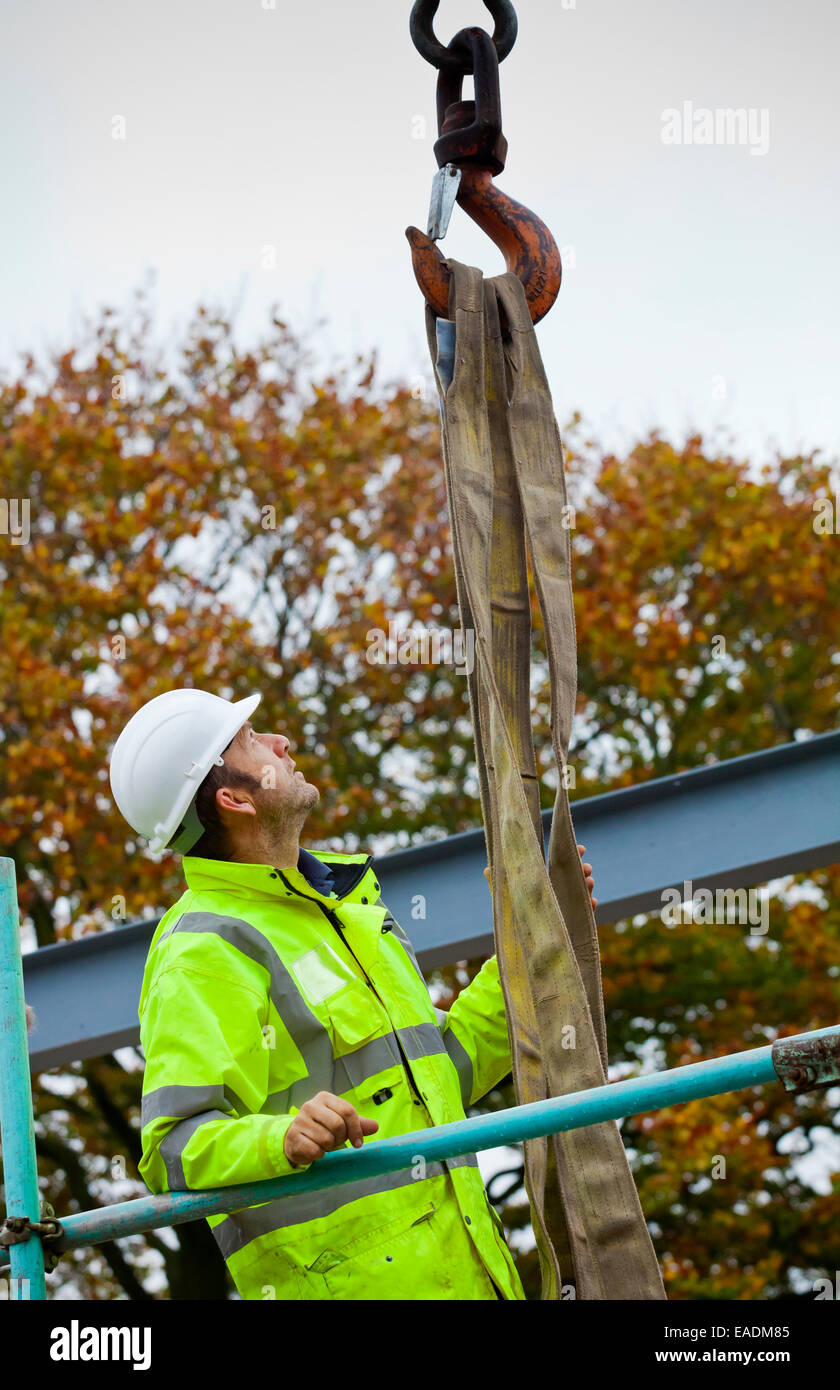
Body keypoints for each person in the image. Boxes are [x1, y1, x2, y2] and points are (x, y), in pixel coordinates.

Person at [109, 688, 597, 1301]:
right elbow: (172, 1149)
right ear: (233, 798)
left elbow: (445, 1072)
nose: (282, 744)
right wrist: (281, 1137)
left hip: (474, 1277)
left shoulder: (348, 911)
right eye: (253, 740)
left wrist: (536, 948)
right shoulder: (205, 946)